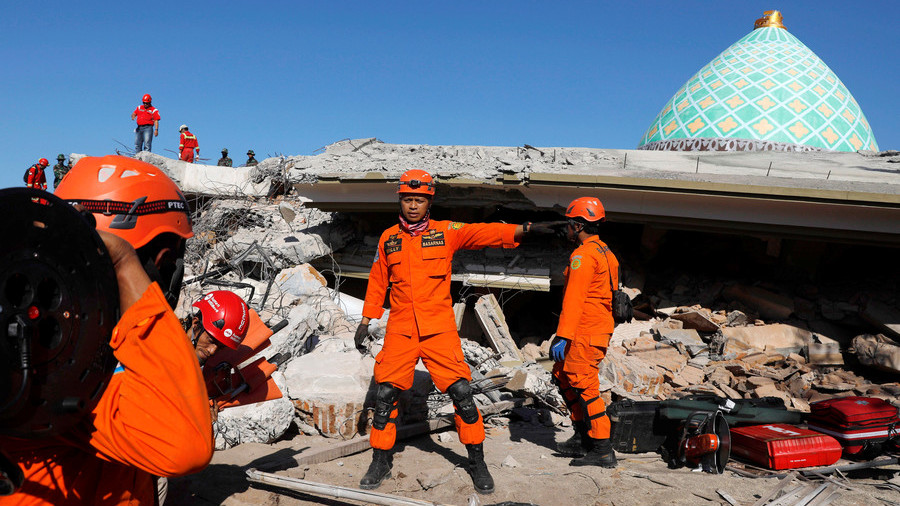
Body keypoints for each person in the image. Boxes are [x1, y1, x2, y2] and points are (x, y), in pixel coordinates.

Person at [1, 155, 213, 504]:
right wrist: (124, 263)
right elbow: (185, 446)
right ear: (162, 264)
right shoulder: (69, 372)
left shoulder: (34, 338)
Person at [353, 169, 565, 495]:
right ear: (401, 200)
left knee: (463, 395)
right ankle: (380, 459)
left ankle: (476, 460)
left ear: (429, 202)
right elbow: (378, 280)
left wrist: (526, 230)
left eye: (419, 200)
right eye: (408, 200)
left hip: (438, 330)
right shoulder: (388, 238)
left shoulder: (446, 232)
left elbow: (483, 232)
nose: (413, 206)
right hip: (401, 330)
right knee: (385, 396)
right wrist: (366, 320)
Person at [550, 197, 620, 468]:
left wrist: (563, 335)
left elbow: (575, 299)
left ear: (579, 225)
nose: (567, 228)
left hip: (584, 331)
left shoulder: (583, 255)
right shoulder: (606, 253)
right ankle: (582, 438)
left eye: (570, 223)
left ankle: (602, 449)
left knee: (585, 386)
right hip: (596, 328)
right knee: (563, 376)